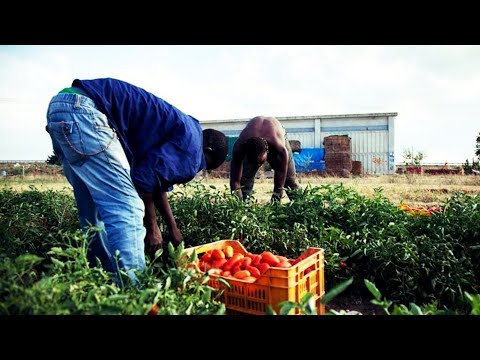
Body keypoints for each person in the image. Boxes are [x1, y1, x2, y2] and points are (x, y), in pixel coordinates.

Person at [46, 78, 228, 284]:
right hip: (86, 112)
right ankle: (135, 294)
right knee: (128, 208)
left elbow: (157, 182)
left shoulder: (185, 132)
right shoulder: (193, 151)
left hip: (63, 106)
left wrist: (172, 228)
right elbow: (144, 178)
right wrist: (152, 228)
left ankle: (101, 282)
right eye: (204, 165)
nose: (197, 169)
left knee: (93, 212)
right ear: (207, 152)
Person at [230, 116, 300, 202]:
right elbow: (235, 181)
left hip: (277, 132)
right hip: (253, 136)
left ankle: (302, 206)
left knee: (290, 181)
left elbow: (279, 185)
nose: (259, 166)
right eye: (254, 162)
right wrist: (237, 205)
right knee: (244, 181)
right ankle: (244, 207)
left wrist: (275, 203)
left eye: (260, 162)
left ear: (267, 150)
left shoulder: (280, 148)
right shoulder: (240, 146)